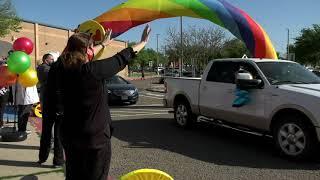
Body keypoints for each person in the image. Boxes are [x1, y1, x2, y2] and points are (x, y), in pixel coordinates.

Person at [48, 25, 151, 180]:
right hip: (94, 139)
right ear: (87, 51)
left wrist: (103, 44)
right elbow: (122, 57)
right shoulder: (92, 70)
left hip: (69, 135)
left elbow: (83, 52)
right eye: (91, 48)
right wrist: (142, 42)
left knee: (74, 175)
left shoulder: (58, 68)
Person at [37, 53, 64, 167]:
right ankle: (44, 158)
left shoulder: (53, 70)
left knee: (57, 135)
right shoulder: (44, 68)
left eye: (54, 60)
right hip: (51, 104)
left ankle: (56, 160)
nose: (53, 61)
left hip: (55, 105)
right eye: (51, 59)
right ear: (45, 60)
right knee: (48, 133)